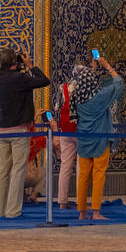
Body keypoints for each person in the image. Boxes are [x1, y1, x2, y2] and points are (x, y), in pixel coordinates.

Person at [0, 48, 51, 219]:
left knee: (2, 169)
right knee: (18, 169)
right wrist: (29, 65)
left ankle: (1, 210)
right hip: (18, 129)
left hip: (1, 129)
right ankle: (12, 211)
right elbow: (44, 81)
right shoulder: (19, 78)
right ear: (15, 63)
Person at [73, 54, 124, 219]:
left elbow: (86, 82)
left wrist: (92, 70)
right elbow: (119, 84)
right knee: (98, 174)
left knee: (83, 175)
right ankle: (96, 211)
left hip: (83, 139)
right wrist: (107, 66)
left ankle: (82, 212)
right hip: (100, 140)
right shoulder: (99, 97)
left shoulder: (77, 96)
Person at [53, 64, 81, 209]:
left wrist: (57, 130)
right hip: (80, 130)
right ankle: (80, 201)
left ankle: (62, 201)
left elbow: (56, 109)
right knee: (81, 166)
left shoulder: (62, 88)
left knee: (65, 165)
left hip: (65, 131)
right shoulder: (83, 88)